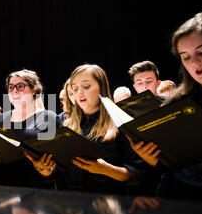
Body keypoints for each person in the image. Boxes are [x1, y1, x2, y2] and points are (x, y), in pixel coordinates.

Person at [128, 12, 202, 203]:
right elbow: (168, 169)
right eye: (186, 57)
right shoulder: (175, 103)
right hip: (180, 206)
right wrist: (151, 158)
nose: (195, 62)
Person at [59, 64, 145, 195]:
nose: (79, 93)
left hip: (108, 203)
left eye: (86, 86)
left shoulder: (121, 122)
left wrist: (105, 169)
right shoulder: (66, 124)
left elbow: (138, 175)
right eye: (75, 88)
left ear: (101, 87)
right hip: (73, 203)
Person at [0, 69, 62, 188]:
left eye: (20, 86)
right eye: (11, 87)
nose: (14, 90)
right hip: (0, 191)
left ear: (34, 90)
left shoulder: (49, 118)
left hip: (34, 192)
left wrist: (43, 168)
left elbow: (57, 167)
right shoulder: (1, 119)